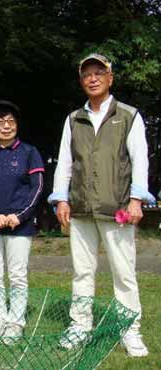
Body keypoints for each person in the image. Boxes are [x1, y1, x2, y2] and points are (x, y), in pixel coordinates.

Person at [48, 53, 155, 357]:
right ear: (82, 81)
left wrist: (136, 200)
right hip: (80, 208)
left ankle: (130, 331)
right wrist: (61, 198)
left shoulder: (129, 116)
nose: (92, 79)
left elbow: (140, 160)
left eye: (99, 73)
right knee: (82, 272)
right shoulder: (73, 119)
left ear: (110, 78)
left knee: (124, 273)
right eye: (86, 75)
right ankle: (79, 327)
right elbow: (65, 163)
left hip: (117, 208)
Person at [0, 101, 44, 344]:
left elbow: (37, 190)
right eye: (0, 122)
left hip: (20, 225)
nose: (6, 126)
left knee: (16, 276)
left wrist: (19, 216)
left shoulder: (29, 152)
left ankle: (15, 323)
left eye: (11, 122)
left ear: (17, 125)